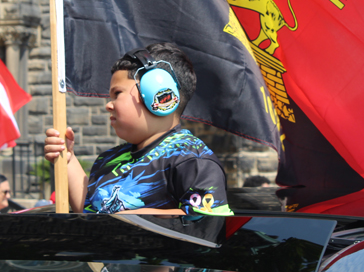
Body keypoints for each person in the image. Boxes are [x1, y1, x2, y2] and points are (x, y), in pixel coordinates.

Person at [45, 42, 232, 215]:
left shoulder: (191, 159)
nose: (108, 105)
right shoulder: (108, 160)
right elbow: (90, 214)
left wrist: (122, 219)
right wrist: (67, 160)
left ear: (156, 91)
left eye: (117, 94)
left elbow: (206, 222)